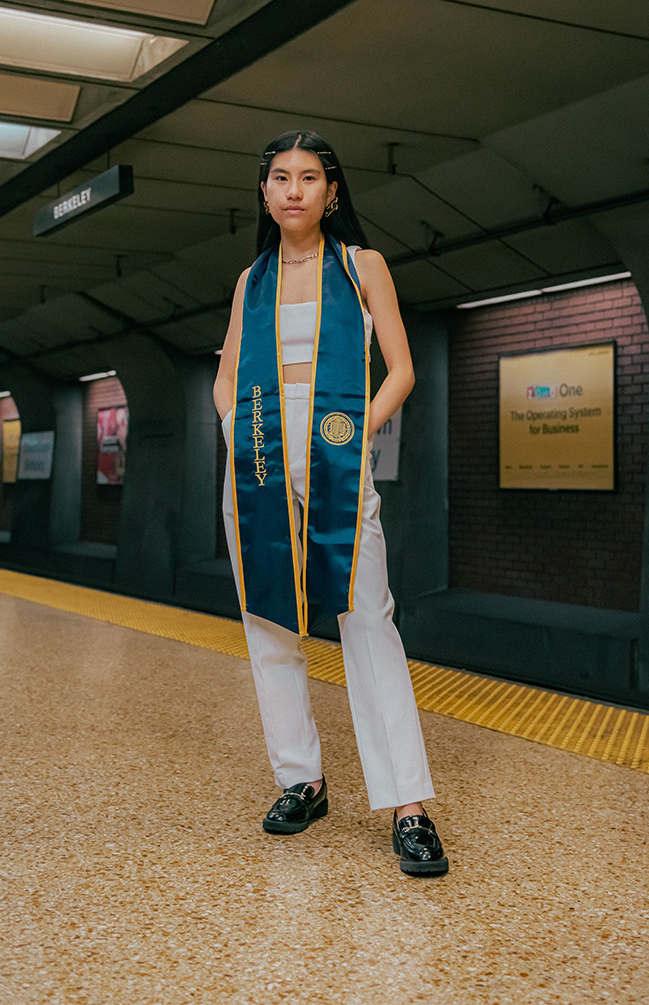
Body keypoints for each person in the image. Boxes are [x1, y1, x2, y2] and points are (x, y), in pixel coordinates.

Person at [214, 129, 446, 877]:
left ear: (332, 192)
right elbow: (223, 378)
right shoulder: (250, 283)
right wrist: (236, 433)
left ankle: (408, 806)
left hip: (338, 461)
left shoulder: (363, 267)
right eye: (279, 177)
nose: (293, 190)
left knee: (367, 620)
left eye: (308, 178)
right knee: (268, 621)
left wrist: (354, 437)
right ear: (264, 192)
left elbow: (402, 369)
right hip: (255, 462)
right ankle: (301, 781)